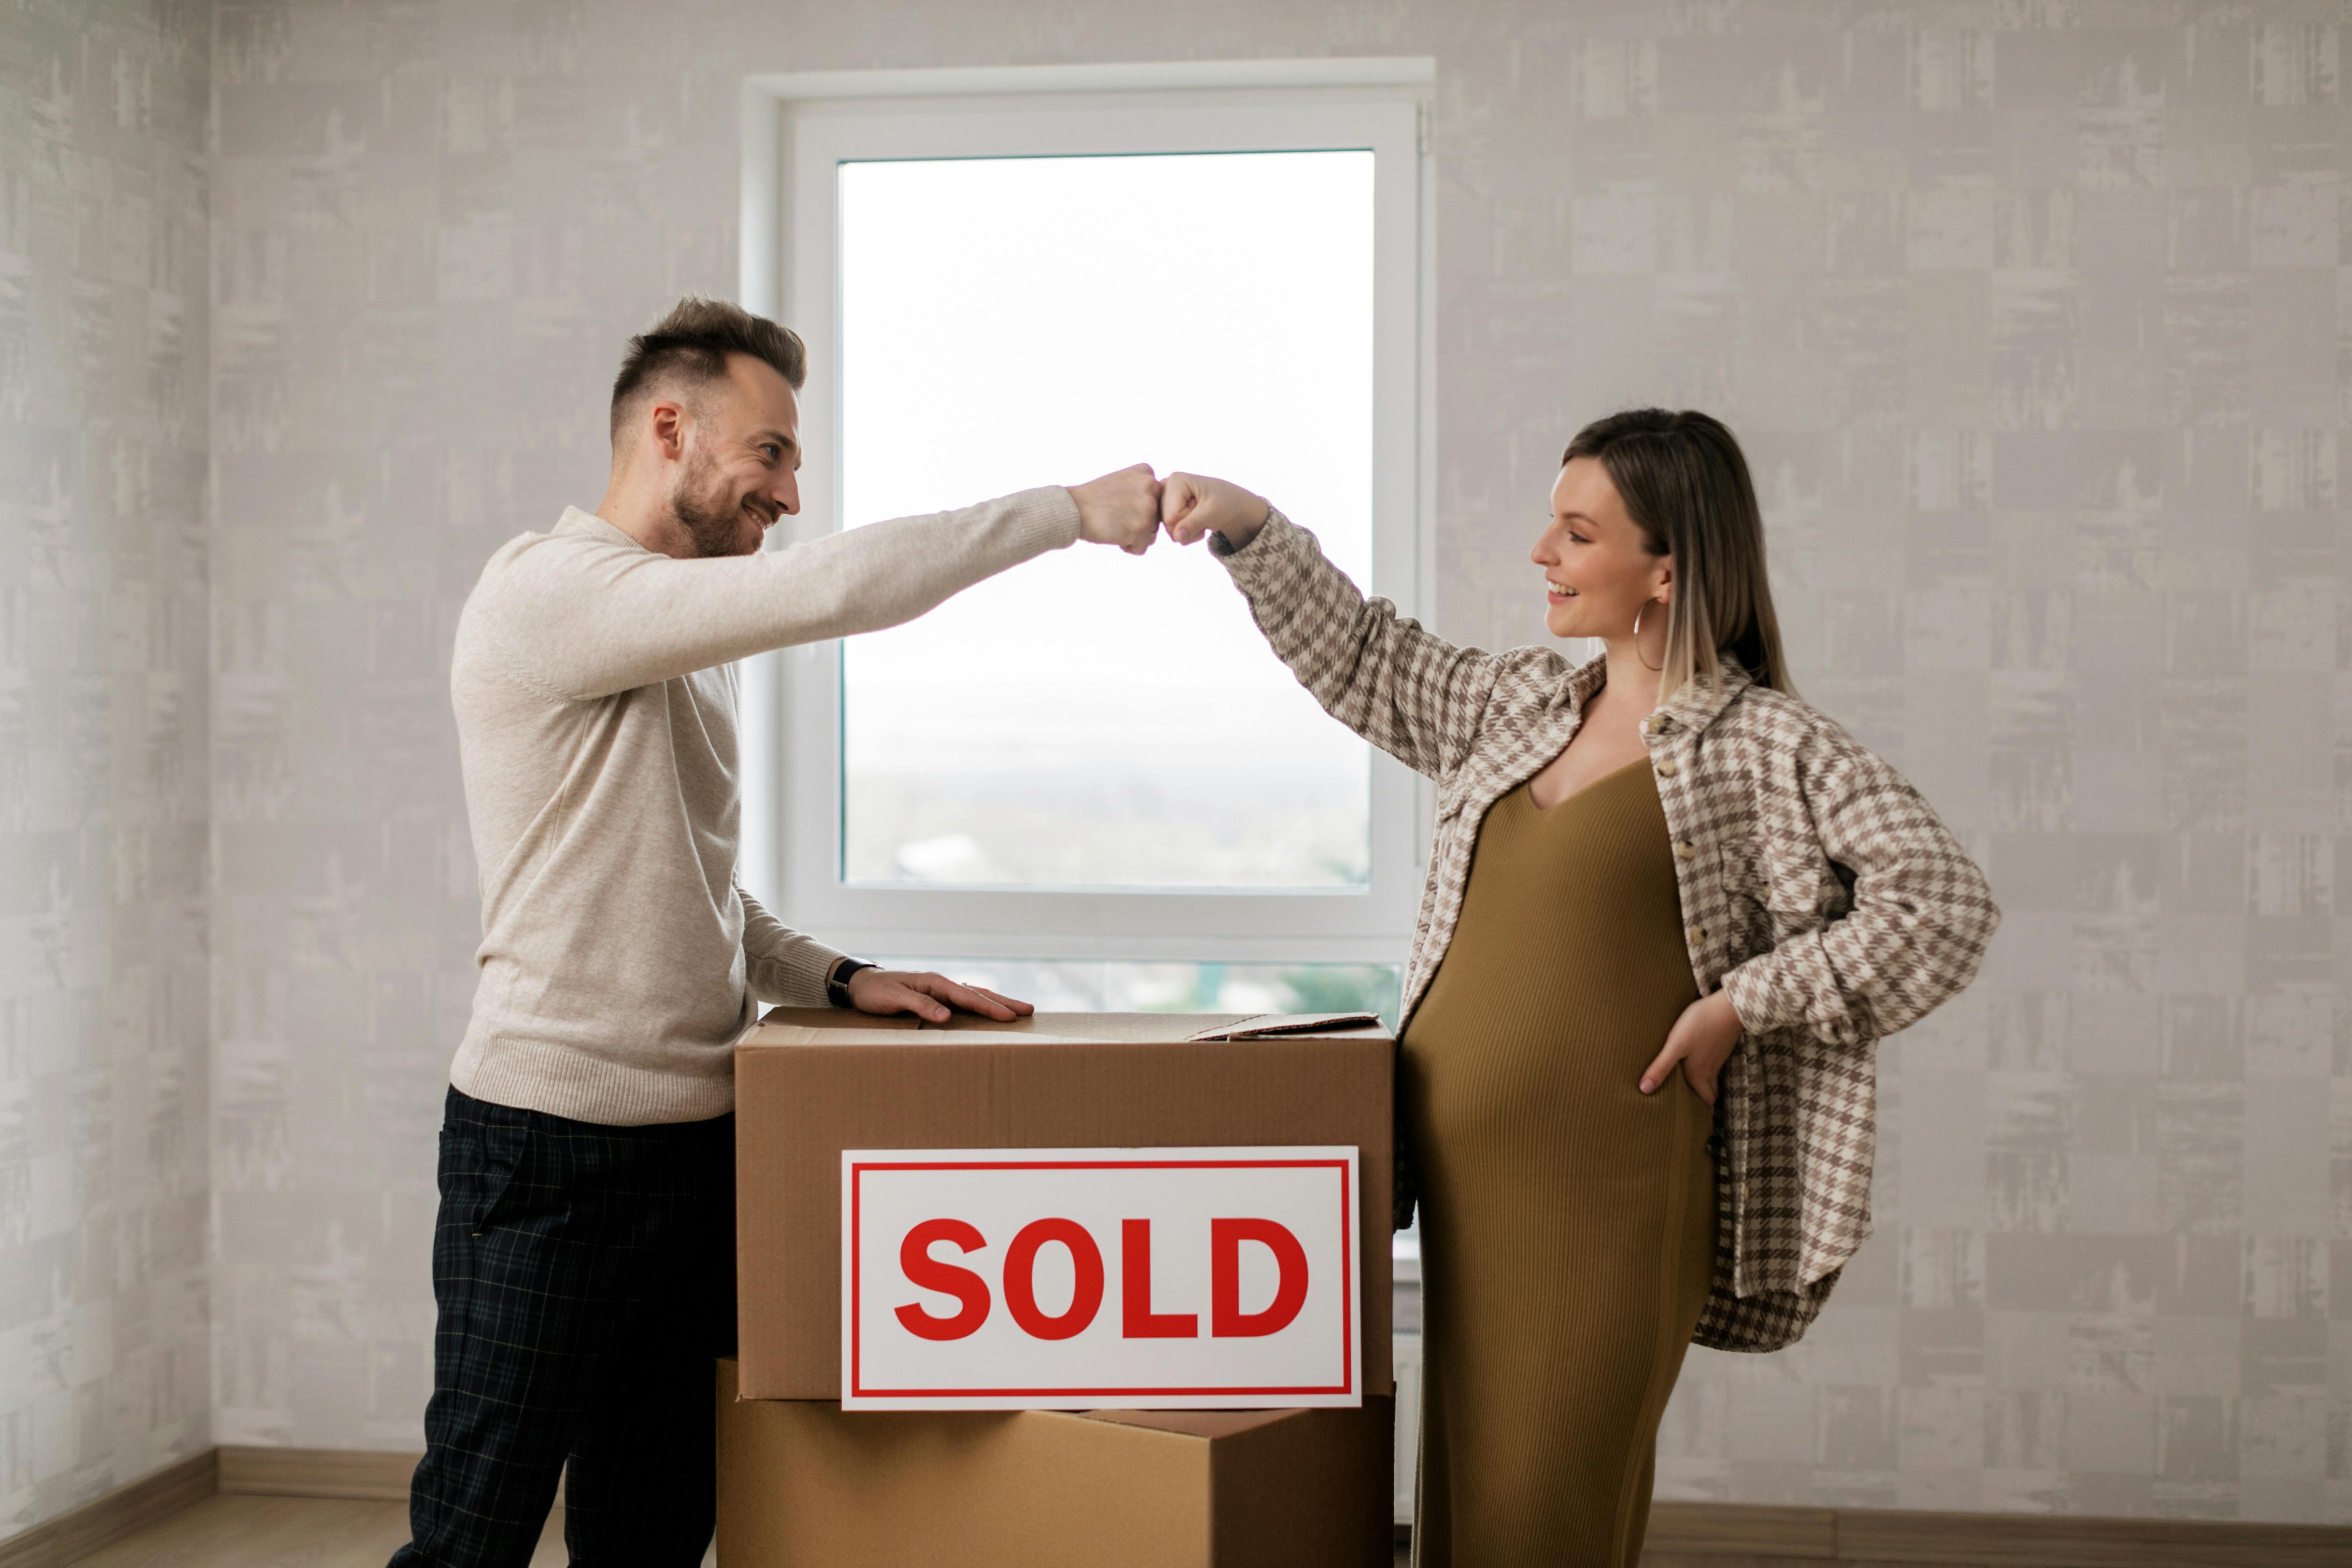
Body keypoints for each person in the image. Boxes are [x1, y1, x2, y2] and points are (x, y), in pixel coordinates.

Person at [390, 296, 1162, 1568]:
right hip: (547, 1152)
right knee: (471, 1538)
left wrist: (839, 977)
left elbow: (695, 885)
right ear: (669, 429)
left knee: (651, 1536)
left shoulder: (685, 639)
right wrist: (1066, 512)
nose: (790, 494)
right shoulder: (546, 593)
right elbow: (836, 586)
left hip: (701, 1150)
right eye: (771, 453)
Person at [1159, 410, 2000, 1568]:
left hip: (1609, 1197)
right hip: (1468, 1195)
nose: (1540, 552)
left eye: (1577, 532)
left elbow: (1942, 904)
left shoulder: (1766, 746)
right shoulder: (1519, 705)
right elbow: (1363, 658)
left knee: (1540, 1517)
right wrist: (1250, 529)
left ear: (1667, 568)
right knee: (1467, 1511)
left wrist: (1739, 1005)